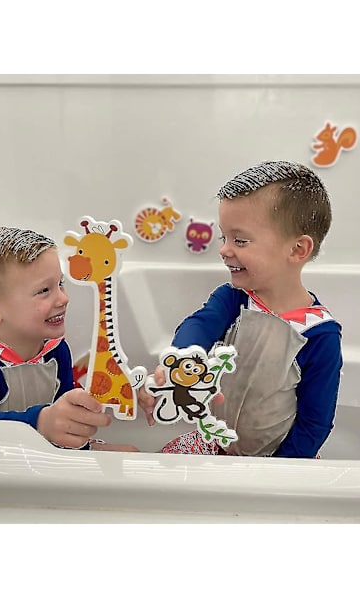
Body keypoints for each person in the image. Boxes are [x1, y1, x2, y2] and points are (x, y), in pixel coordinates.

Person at [139, 160, 343, 458]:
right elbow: (199, 325)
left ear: (297, 249)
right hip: (215, 441)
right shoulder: (233, 299)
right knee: (162, 471)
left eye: (240, 240)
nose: (224, 249)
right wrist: (177, 364)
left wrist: (279, 470)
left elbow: (315, 423)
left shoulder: (319, 334)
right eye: (224, 238)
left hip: (277, 458)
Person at [0, 226, 137, 452]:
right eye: (44, 290)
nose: (64, 298)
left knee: (131, 454)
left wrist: (130, 392)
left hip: (35, 456)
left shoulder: (55, 350)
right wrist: (41, 422)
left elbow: (66, 420)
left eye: (60, 283)